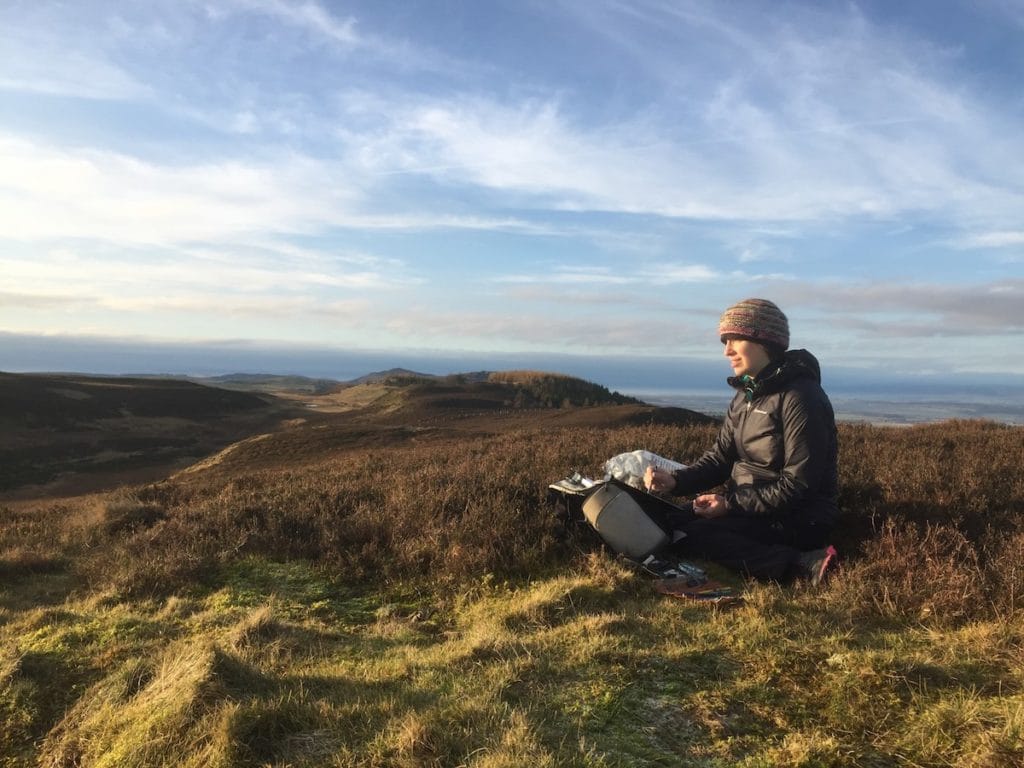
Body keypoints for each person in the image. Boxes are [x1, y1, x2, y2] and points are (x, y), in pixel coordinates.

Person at [644, 298, 839, 585]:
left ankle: (803, 565)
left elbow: (799, 485)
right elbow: (720, 459)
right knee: (669, 520)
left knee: (694, 535)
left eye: (735, 339)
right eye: (725, 341)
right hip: (750, 507)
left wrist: (731, 506)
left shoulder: (801, 398)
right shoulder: (745, 396)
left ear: (764, 342)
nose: (727, 351)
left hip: (799, 516)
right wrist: (675, 481)